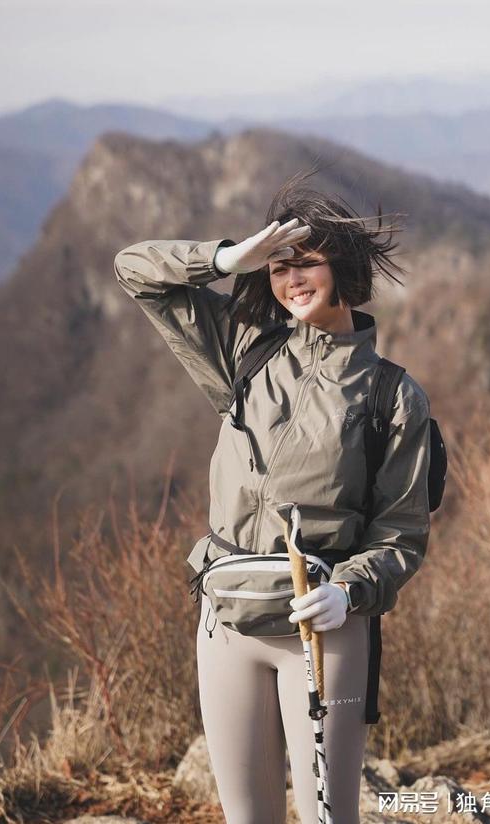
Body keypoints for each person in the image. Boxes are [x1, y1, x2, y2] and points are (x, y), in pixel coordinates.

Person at [114, 172, 432, 824]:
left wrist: (351, 592)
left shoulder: (389, 396)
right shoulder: (246, 351)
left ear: (341, 265)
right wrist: (229, 259)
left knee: (327, 819)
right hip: (225, 616)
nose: (290, 279)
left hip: (322, 628)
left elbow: (401, 533)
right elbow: (134, 270)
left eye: (305, 262)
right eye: (279, 267)